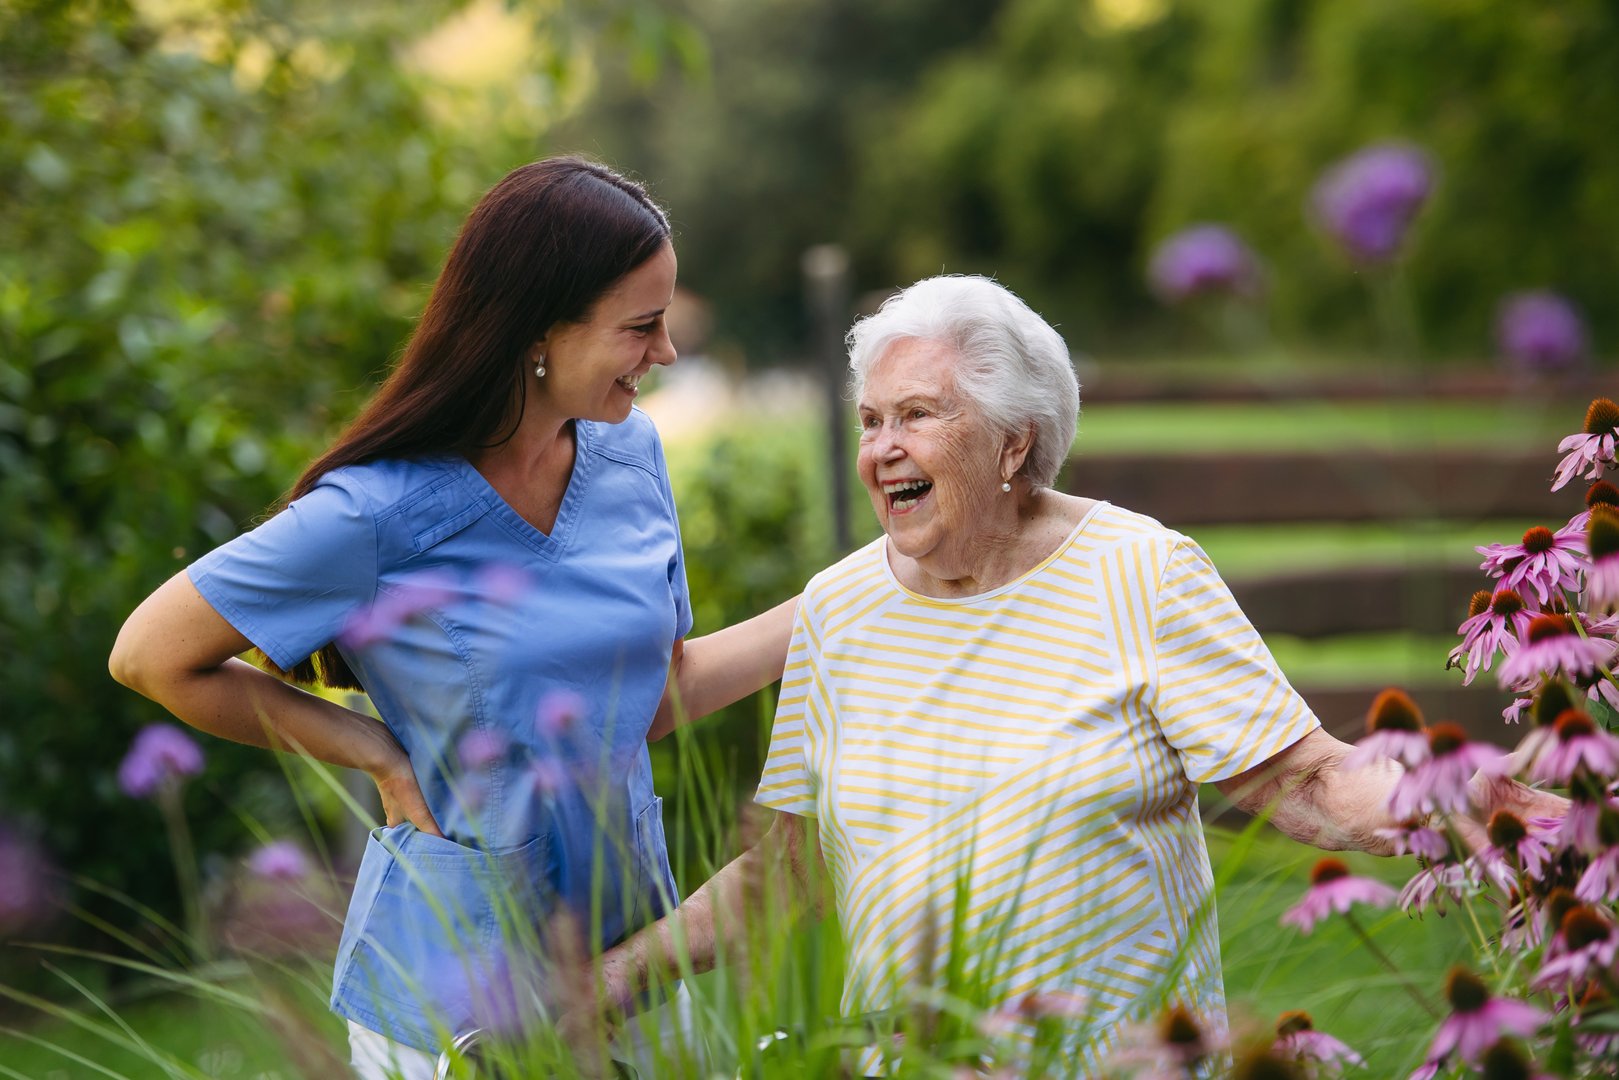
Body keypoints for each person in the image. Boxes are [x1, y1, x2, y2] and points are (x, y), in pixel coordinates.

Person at [582, 274, 1559, 1075]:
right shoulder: (837, 609)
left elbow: (1301, 777)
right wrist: (599, 990)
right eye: (870, 420)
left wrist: (1461, 804)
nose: (880, 450)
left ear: (1013, 442)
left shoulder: (1138, 572)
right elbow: (787, 865)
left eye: (916, 416)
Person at [108, 157, 794, 1079]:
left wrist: (838, 604)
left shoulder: (630, 458)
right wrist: (375, 753)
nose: (666, 352)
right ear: (537, 332)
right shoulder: (375, 514)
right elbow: (150, 656)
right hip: (452, 1002)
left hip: (636, 966)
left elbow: (644, 700)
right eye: (641, 326)